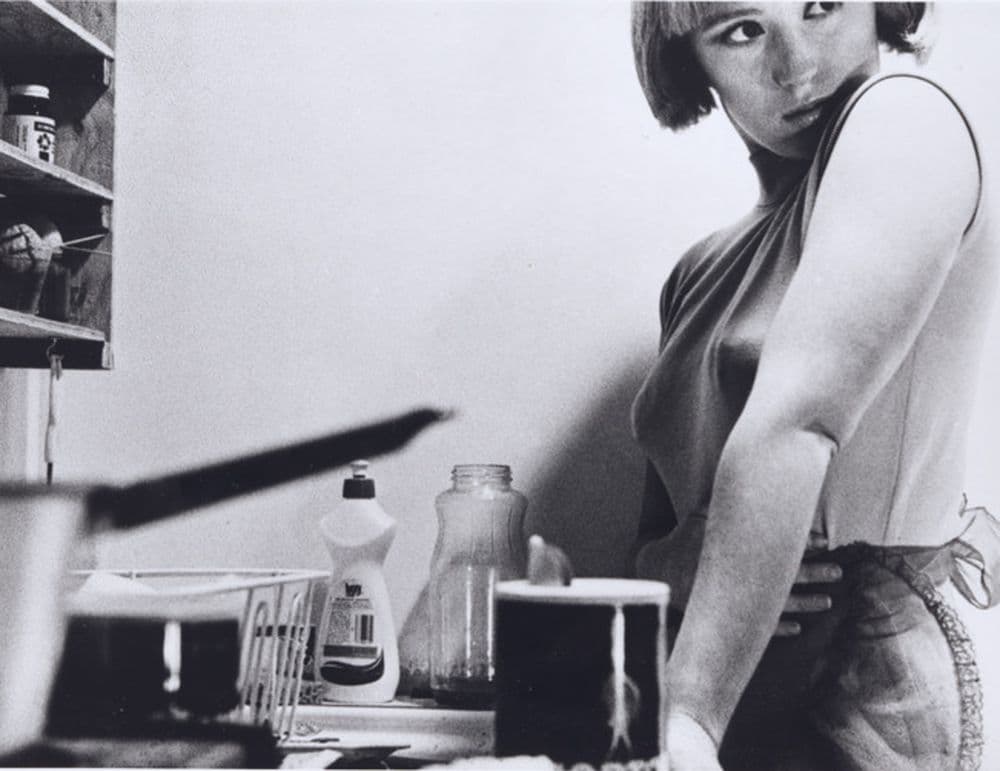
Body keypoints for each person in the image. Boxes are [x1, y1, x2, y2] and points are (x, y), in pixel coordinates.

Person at [629, 3, 1000, 769]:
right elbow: (659, 534)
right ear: (685, 57)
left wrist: (688, 724)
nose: (798, 65)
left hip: (857, 696)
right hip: (701, 693)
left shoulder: (907, 118)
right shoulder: (698, 272)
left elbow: (796, 423)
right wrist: (667, 565)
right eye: (742, 30)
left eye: (823, 6)